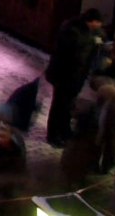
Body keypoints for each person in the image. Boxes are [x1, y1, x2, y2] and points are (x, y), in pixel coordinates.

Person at [47, 8, 106, 146]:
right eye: (98, 23)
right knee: (59, 105)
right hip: (63, 75)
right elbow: (75, 51)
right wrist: (93, 41)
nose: (100, 26)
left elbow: (101, 35)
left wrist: (97, 39)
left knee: (68, 104)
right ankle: (53, 135)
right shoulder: (72, 30)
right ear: (92, 22)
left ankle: (65, 130)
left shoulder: (87, 30)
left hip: (75, 77)